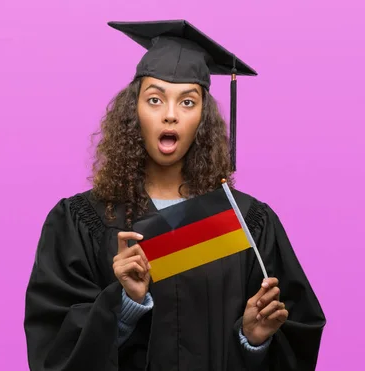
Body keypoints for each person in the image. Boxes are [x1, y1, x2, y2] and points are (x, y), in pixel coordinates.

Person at [23, 19, 325, 371]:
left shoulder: (245, 222)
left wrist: (253, 340)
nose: (169, 115)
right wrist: (125, 305)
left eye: (187, 102)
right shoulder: (81, 221)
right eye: (154, 99)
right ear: (133, 111)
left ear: (203, 118)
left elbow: (297, 334)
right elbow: (54, 348)